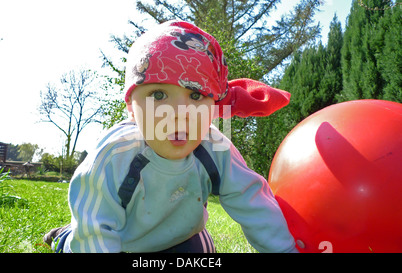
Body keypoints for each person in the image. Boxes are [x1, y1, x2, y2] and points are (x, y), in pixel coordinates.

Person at [43, 20, 297, 253]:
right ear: (132, 107)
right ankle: (62, 235)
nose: (179, 114)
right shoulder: (114, 155)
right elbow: (95, 232)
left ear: (213, 106)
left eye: (195, 96)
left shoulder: (215, 148)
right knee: (76, 242)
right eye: (158, 95)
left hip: (180, 238)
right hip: (119, 239)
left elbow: (253, 201)